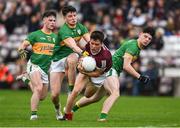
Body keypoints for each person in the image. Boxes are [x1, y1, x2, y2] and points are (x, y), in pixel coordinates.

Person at [70, 27, 154, 121]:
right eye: (145, 36)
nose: (147, 39)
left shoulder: (136, 46)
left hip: (112, 70)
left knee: (95, 98)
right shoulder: (133, 46)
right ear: (140, 34)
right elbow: (126, 66)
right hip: (111, 69)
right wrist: (140, 77)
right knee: (115, 93)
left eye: (149, 38)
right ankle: (102, 117)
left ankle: (71, 110)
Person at [50, 5, 90, 120]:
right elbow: (74, 46)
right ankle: (57, 109)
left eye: (74, 15)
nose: (73, 18)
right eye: (70, 16)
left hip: (70, 57)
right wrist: (85, 54)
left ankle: (71, 90)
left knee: (73, 59)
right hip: (57, 61)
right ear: (65, 18)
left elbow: (90, 42)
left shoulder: (81, 27)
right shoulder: (64, 31)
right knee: (54, 95)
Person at [62, 30, 112, 120]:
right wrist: (80, 64)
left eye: (97, 44)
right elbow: (84, 56)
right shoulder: (88, 45)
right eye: (92, 43)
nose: (93, 46)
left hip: (99, 75)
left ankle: (74, 107)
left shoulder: (105, 57)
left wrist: (85, 72)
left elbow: (98, 73)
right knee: (75, 91)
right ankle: (67, 115)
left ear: (101, 44)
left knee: (88, 95)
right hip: (87, 70)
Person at [17, 10, 57, 120]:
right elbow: (22, 46)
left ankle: (26, 79)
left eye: (54, 20)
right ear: (44, 20)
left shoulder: (55, 38)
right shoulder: (35, 34)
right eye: (50, 20)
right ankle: (33, 115)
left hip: (45, 69)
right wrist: (22, 54)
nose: (53, 22)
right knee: (38, 88)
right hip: (34, 65)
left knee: (42, 96)